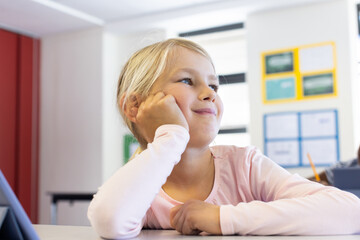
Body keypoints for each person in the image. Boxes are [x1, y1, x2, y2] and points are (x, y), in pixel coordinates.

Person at [87, 38, 360, 239]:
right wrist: (171, 137)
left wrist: (221, 217)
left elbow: (350, 211)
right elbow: (110, 222)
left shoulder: (246, 165)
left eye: (214, 85)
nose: (210, 93)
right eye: (186, 81)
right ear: (135, 107)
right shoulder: (139, 184)